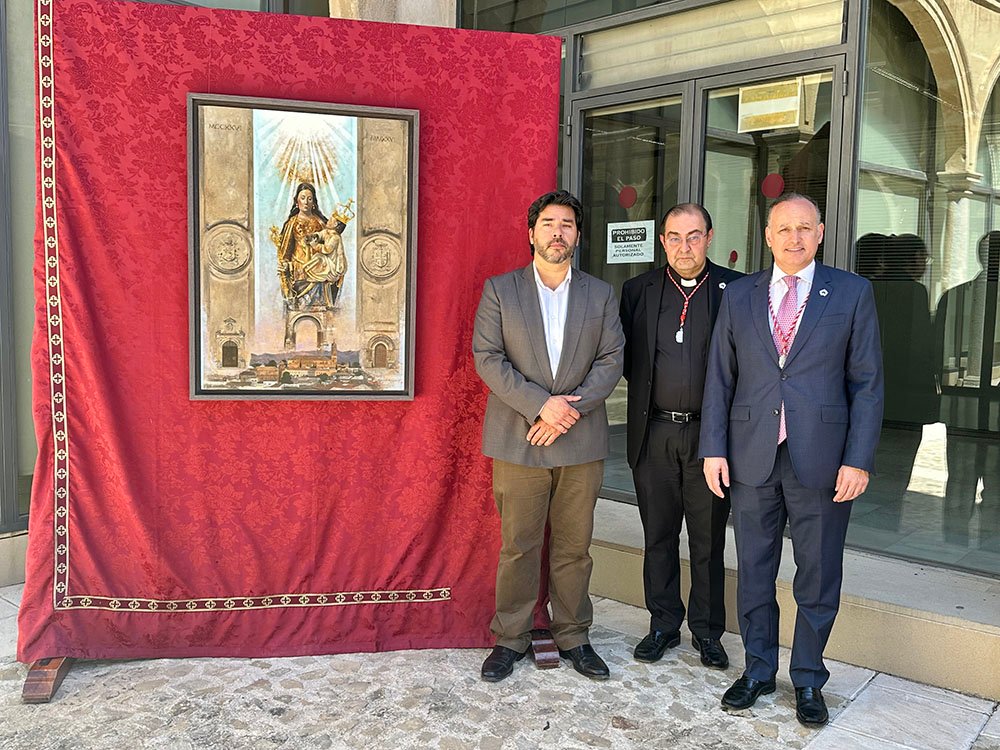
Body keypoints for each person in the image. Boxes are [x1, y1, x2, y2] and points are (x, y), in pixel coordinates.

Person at [700, 193, 883, 726]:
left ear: (821, 233)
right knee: (754, 570)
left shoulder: (851, 293)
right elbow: (720, 379)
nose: (794, 238)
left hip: (823, 461)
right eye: (784, 229)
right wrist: (714, 448)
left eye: (805, 228)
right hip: (752, 456)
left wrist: (859, 459)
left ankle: (808, 679)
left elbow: (867, 385)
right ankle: (757, 670)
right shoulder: (737, 295)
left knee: (818, 574)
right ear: (768, 235)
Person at [472, 190, 624, 682]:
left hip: (579, 440)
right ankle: (511, 638)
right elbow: (488, 357)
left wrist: (565, 413)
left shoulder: (600, 294)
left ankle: (574, 634)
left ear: (577, 235)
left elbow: (611, 360)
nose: (557, 232)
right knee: (518, 544)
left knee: (575, 545)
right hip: (519, 437)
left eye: (567, 225)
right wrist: (542, 406)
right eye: (549, 223)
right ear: (531, 232)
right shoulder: (500, 290)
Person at [619, 203, 743, 670]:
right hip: (653, 434)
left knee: (709, 541)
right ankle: (663, 624)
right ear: (662, 241)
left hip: (711, 441)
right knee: (659, 535)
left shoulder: (737, 289)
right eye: (674, 237)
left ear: (710, 237)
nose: (684, 246)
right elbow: (629, 361)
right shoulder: (638, 290)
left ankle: (708, 633)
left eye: (693, 236)